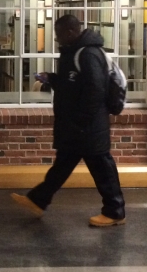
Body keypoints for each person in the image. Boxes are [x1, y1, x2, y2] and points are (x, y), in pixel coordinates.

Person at [10, 14, 125, 227]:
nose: (57, 39)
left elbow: (95, 91)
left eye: (59, 35)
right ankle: (38, 200)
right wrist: (52, 79)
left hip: (88, 127)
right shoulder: (76, 53)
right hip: (79, 126)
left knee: (102, 169)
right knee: (63, 165)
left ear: (71, 32)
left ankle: (115, 212)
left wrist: (81, 121)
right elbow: (73, 84)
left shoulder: (88, 54)